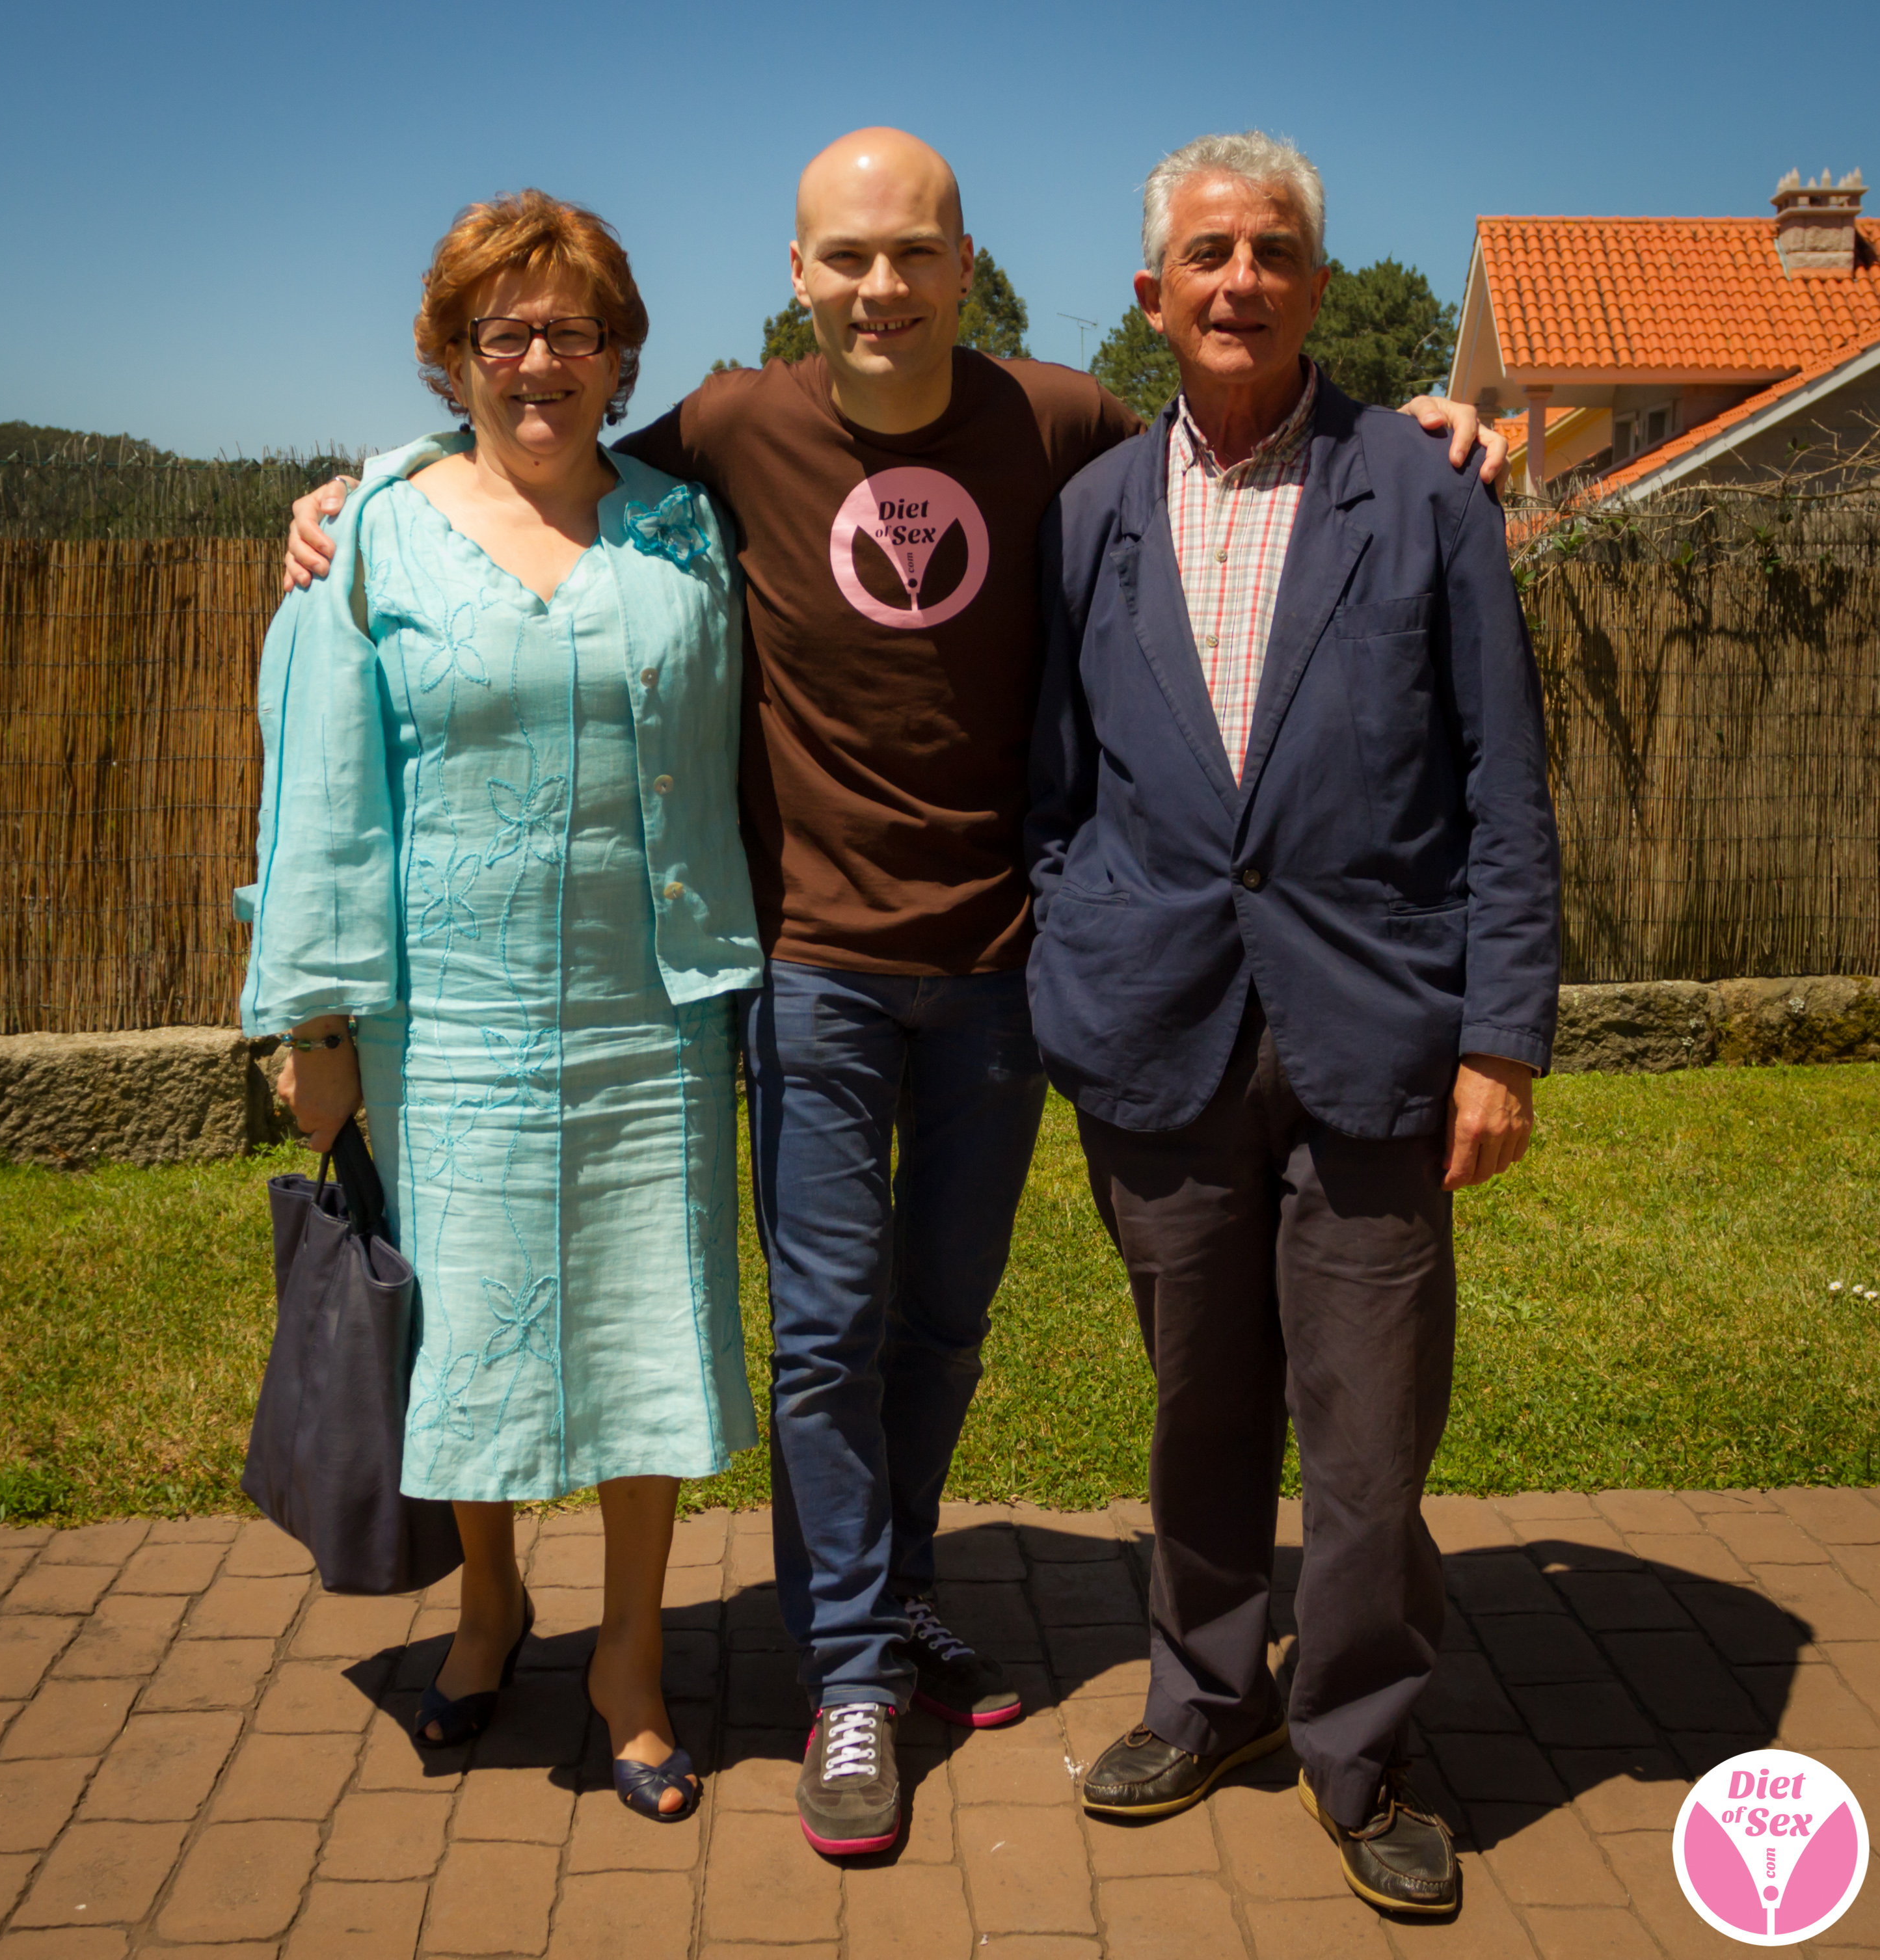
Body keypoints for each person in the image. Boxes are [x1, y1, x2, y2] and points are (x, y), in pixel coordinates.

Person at [283, 128, 1511, 1861]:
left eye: (911, 252)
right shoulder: (730, 425)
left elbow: (1256, 424)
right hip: (810, 971)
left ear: (960, 262)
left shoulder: (1059, 417)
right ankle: (846, 1660)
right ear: (800, 275)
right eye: (843, 256)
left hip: (1005, 967)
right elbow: (537, 451)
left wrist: (1426, 421)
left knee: (938, 1326)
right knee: (830, 1326)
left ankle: (897, 1579)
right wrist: (365, 479)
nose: (877, 284)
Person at [1027, 131, 1559, 1916]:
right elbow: (1057, 782)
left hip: (1378, 1041)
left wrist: (1499, 1036)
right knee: (1198, 1403)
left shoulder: (1422, 494)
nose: (1237, 277)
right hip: (1158, 1033)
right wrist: (1080, 954)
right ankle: (1203, 1690)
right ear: (1150, 293)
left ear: (1317, 286)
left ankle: (1361, 1736)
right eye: (1205, 250)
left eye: (1270, 250)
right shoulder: (1091, 515)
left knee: (1363, 1425)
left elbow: (1503, 787)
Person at [247, 191, 764, 1823]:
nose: (541, 357)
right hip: (447, 1021)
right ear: (453, 355)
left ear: (620, 360)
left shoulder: (686, 528)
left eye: (574, 330)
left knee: (642, 1327)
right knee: (462, 1331)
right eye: (505, 329)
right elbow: (322, 795)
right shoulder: (374, 533)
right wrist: (316, 1025)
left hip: (650, 1008)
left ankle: (629, 1657)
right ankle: (488, 1603)